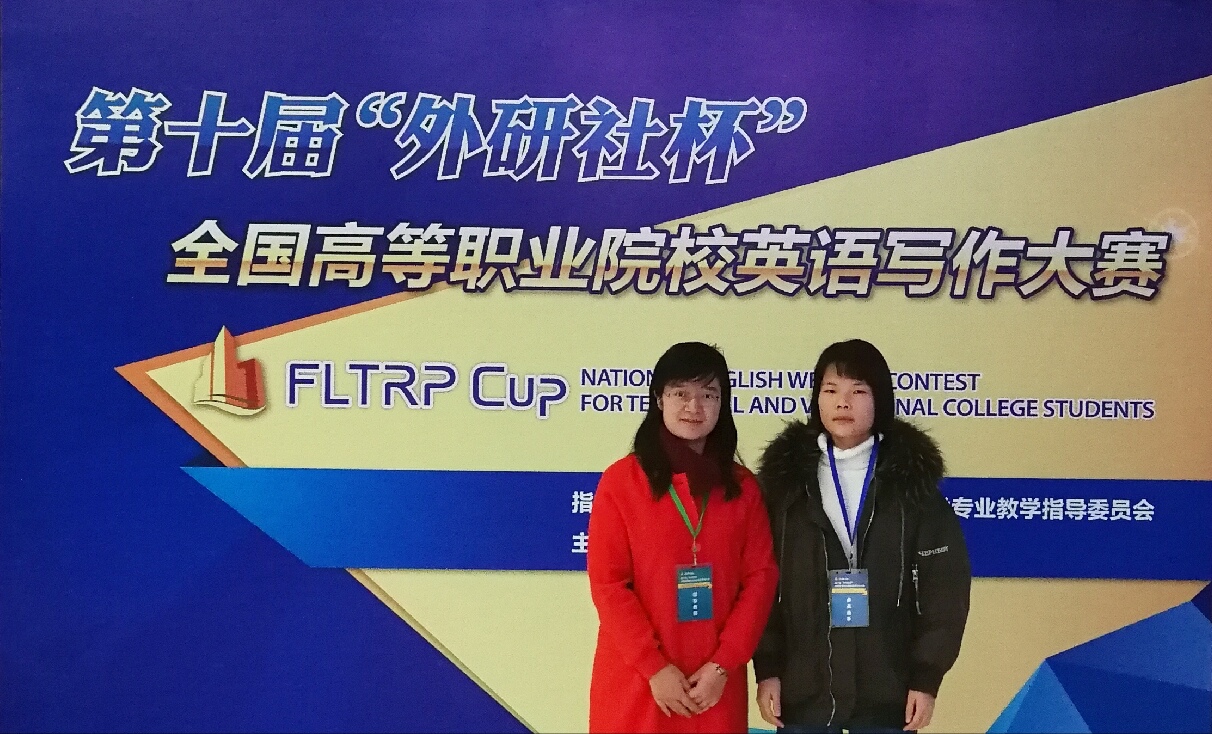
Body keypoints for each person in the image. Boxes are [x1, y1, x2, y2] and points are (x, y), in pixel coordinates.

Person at [753, 339, 970, 733]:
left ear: (879, 400)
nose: (843, 403)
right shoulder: (784, 486)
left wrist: (926, 677)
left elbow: (944, 589)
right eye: (831, 390)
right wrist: (767, 668)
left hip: (888, 694)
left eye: (858, 391)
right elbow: (760, 582)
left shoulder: (911, 486)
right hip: (803, 693)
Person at [588, 342, 779, 733]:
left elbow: (760, 579)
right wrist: (654, 668)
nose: (694, 407)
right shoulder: (621, 482)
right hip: (639, 684)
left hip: (713, 687)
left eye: (709, 394)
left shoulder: (742, 488)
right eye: (680, 393)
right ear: (659, 399)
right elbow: (609, 585)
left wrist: (723, 665)